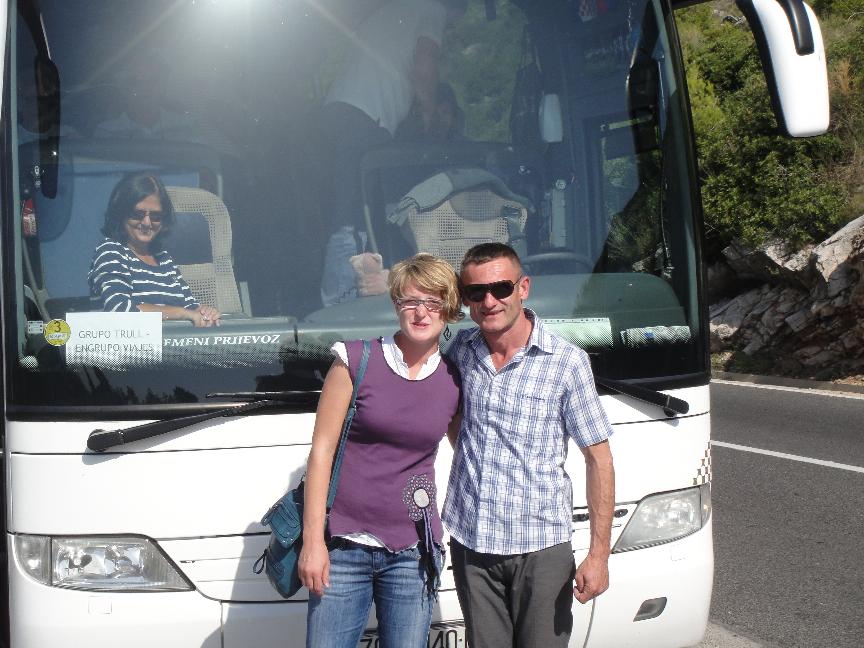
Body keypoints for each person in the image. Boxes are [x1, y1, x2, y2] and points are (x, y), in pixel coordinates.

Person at [442, 242, 615, 648]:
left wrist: (598, 555)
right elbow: (452, 418)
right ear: (465, 299)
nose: (489, 301)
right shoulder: (461, 350)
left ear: (523, 288)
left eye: (501, 288)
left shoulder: (567, 362)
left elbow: (599, 460)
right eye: (476, 292)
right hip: (472, 545)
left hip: (540, 549)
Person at [299, 253, 462, 648]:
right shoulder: (355, 360)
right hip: (343, 549)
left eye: (433, 302)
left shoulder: (455, 378)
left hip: (413, 553)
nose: (421, 312)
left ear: (448, 308)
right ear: (395, 304)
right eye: (411, 301)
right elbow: (321, 453)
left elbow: (468, 453)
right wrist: (313, 543)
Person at [317, 0, 468, 307]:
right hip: (364, 117)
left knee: (355, 214)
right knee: (352, 220)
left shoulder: (395, 11)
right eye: (452, 25)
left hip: (340, 110)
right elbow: (425, 66)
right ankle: (340, 305)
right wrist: (428, 113)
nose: (448, 30)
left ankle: (356, 294)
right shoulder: (432, 9)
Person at [88, 172, 221, 327]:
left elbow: (191, 308)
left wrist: (205, 313)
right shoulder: (111, 252)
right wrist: (182, 313)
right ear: (121, 213)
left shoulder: (164, 259)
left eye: (156, 216)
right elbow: (119, 310)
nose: (146, 222)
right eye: (137, 214)